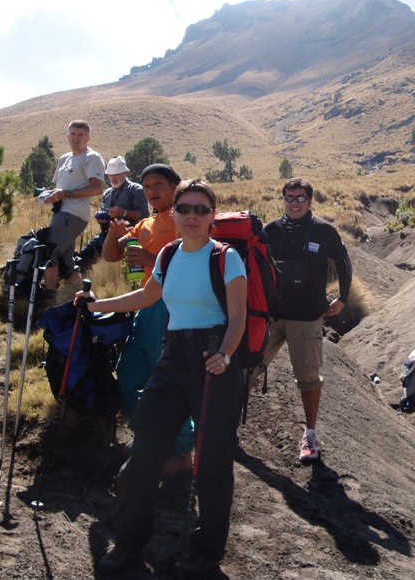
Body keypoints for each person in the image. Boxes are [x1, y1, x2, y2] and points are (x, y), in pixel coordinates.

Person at [80, 178, 247, 577]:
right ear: (175, 212)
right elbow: (144, 297)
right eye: (184, 209)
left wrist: (224, 354)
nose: (191, 216)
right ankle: (129, 547)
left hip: (214, 363)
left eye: (200, 210)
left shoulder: (226, 258)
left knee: (212, 462)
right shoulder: (169, 254)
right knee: (144, 454)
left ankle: (206, 555)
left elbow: (238, 317)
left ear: (212, 217)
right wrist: (94, 304)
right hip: (172, 359)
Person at [101, 163, 193, 473]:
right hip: (145, 305)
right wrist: (115, 235)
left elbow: (191, 263)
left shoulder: (184, 219)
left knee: (167, 378)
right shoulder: (146, 224)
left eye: (158, 185)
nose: (152, 191)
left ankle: (181, 452)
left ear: (174, 186)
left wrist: (151, 259)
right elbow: (112, 257)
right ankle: (149, 437)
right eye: (147, 187)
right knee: (128, 371)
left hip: (172, 306)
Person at [258, 178, 352, 463]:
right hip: (272, 316)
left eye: (300, 198)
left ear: (310, 201)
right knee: (246, 369)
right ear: (283, 200)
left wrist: (343, 298)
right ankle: (227, 428)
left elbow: (344, 262)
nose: (294, 203)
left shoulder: (324, 231)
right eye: (289, 197)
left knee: (309, 379)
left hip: (308, 317)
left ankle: (310, 435)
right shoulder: (270, 230)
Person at [42, 119, 105, 291]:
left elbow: (98, 188)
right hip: (61, 213)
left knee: (49, 252)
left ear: (88, 138)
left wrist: (67, 194)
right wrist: (50, 195)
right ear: (67, 136)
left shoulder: (91, 158)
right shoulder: (64, 159)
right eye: (73, 134)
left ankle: (48, 296)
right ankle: (76, 297)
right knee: (67, 260)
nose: (76, 138)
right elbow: (59, 186)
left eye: (81, 135)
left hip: (74, 214)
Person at [76, 156, 148, 270]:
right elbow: (105, 214)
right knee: (83, 258)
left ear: (126, 173)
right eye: (110, 175)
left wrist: (123, 212)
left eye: (117, 174)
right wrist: (102, 220)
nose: (113, 178)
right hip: (107, 235)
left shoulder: (136, 190)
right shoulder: (107, 193)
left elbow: (144, 215)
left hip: (130, 236)